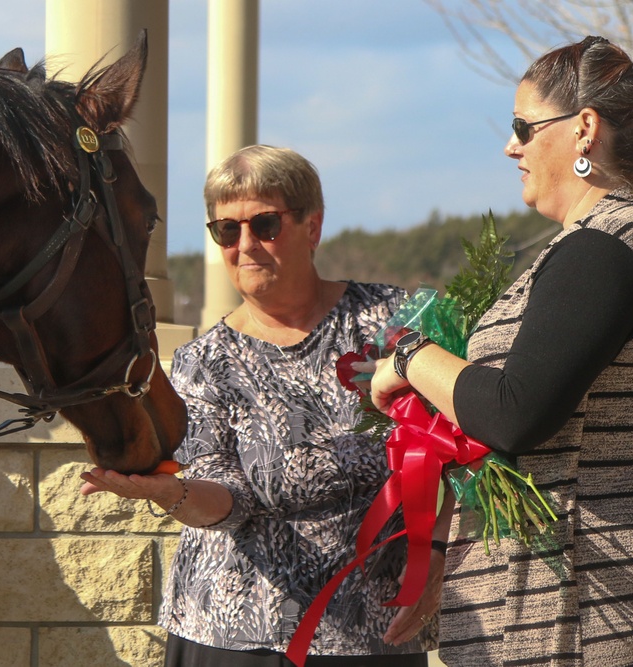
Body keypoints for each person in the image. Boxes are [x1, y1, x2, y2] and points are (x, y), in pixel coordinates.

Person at [366, 36, 633, 666]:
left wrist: (408, 356)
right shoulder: (605, 241)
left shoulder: (604, 248)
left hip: (584, 605)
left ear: (584, 128)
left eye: (523, 127)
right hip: (593, 592)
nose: (511, 146)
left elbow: (515, 412)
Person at [81, 145, 434, 665]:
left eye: (265, 225)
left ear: (312, 227)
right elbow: (228, 497)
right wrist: (173, 494)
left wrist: (438, 560)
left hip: (371, 629)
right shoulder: (202, 362)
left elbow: (454, 451)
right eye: (226, 230)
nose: (244, 245)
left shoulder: (389, 321)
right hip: (232, 636)